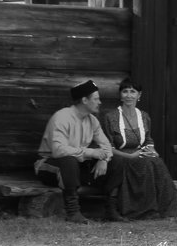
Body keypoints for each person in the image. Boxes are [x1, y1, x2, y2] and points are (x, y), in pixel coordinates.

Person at [34, 80, 117, 223]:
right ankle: (73, 212)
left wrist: (104, 159)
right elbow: (59, 151)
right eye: (96, 99)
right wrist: (91, 153)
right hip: (49, 165)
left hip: (77, 164)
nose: (100, 102)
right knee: (69, 160)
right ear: (84, 100)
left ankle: (111, 209)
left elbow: (106, 146)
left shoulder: (92, 120)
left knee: (117, 162)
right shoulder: (62, 117)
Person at [99, 79, 177, 219]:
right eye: (125, 91)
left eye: (133, 92)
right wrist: (130, 156)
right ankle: (138, 211)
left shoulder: (144, 116)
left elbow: (148, 140)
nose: (129, 95)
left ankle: (164, 210)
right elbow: (107, 146)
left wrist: (151, 150)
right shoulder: (110, 117)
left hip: (139, 154)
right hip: (119, 156)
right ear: (120, 95)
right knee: (145, 164)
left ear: (139, 95)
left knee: (157, 163)